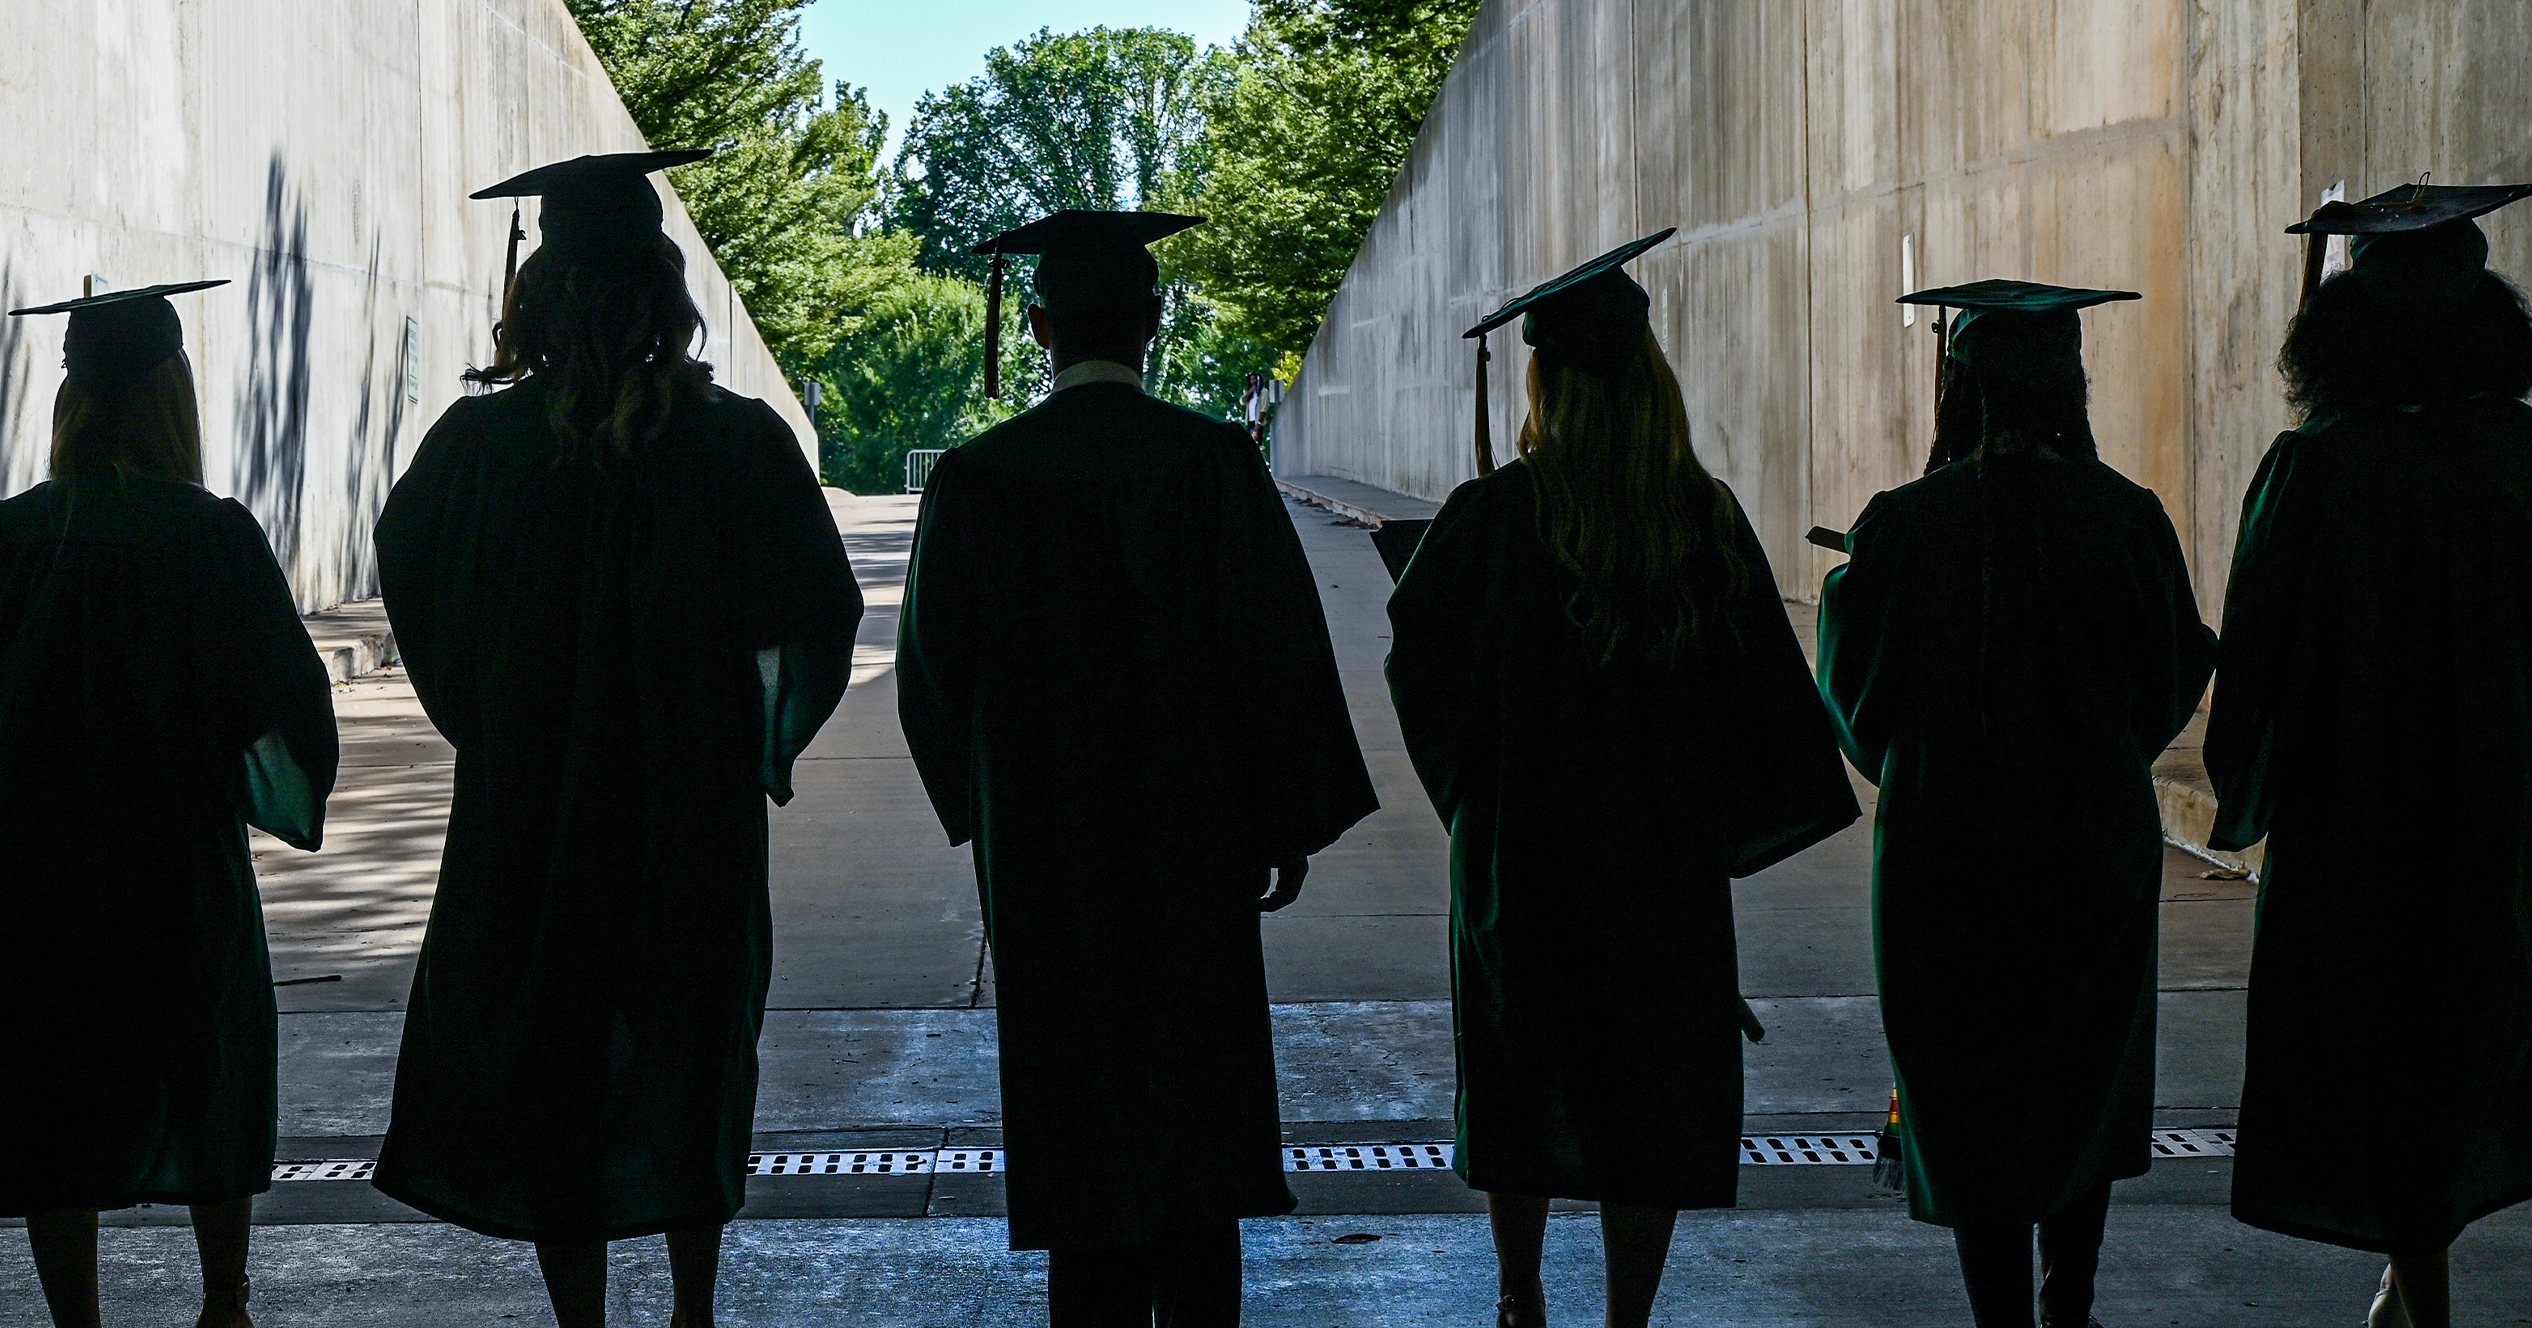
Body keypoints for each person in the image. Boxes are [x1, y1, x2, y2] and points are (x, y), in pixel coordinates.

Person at [370, 149, 861, 1328]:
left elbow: (419, 593)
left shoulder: (474, 449)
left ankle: (581, 1322)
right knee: (691, 1048)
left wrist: (486, 720)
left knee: (551, 1056)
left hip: (530, 808)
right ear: (664, 288)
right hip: (690, 810)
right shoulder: (737, 441)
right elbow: (818, 616)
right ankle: (694, 1312)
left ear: (539, 291)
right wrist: (761, 740)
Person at [898, 208, 1379, 1327]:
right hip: (1195, 841)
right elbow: (1281, 651)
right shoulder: (1211, 463)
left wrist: (989, 810)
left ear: (1035, 326)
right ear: (1153, 322)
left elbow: (931, 675)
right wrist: (1282, 819)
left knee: (1078, 1115)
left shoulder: (976, 478)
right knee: (1197, 1116)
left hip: (1048, 849)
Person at [1385, 228, 1859, 1328]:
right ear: (1651, 376)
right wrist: (1709, 833)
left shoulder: (1494, 517)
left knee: (1521, 1071)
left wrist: (1478, 801)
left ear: (1541, 379)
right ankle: (1629, 1319)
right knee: (1648, 1089)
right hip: (1661, 870)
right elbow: (1772, 720)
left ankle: (1518, 1296)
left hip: (1523, 859)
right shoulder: (1701, 518)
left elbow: (1422, 671)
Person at [0, 279, 337, 1328]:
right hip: (169, 855)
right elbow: (283, 708)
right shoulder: (210, 534)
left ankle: (78, 1320)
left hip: (26, 861)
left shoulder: (9, 534)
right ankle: (224, 1302)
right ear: (172, 399)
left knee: (54, 1084)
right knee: (207, 1060)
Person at [1817, 279, 2218, 1328]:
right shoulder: (2127, 516)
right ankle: (2068, 1304)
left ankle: (1999, 1315)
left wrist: (1849, 593)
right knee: (2078, 1069)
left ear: (1960, 392)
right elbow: (2173, 675)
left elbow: (1861, 709)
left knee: (1970, 1079)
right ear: (2071, 390)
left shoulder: (1902, 524)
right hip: (2091, 843)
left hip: (1943, 850)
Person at [2207, 181, 2532, 1328]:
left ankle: (2418, 1282)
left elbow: (2252, 657)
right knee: (2485, 1035)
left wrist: (2243, 787)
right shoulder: (2522, 460)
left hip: (2358, 819)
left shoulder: (2318, 467)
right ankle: (2413, 1272)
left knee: (2382, 1047)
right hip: (2506, 812)